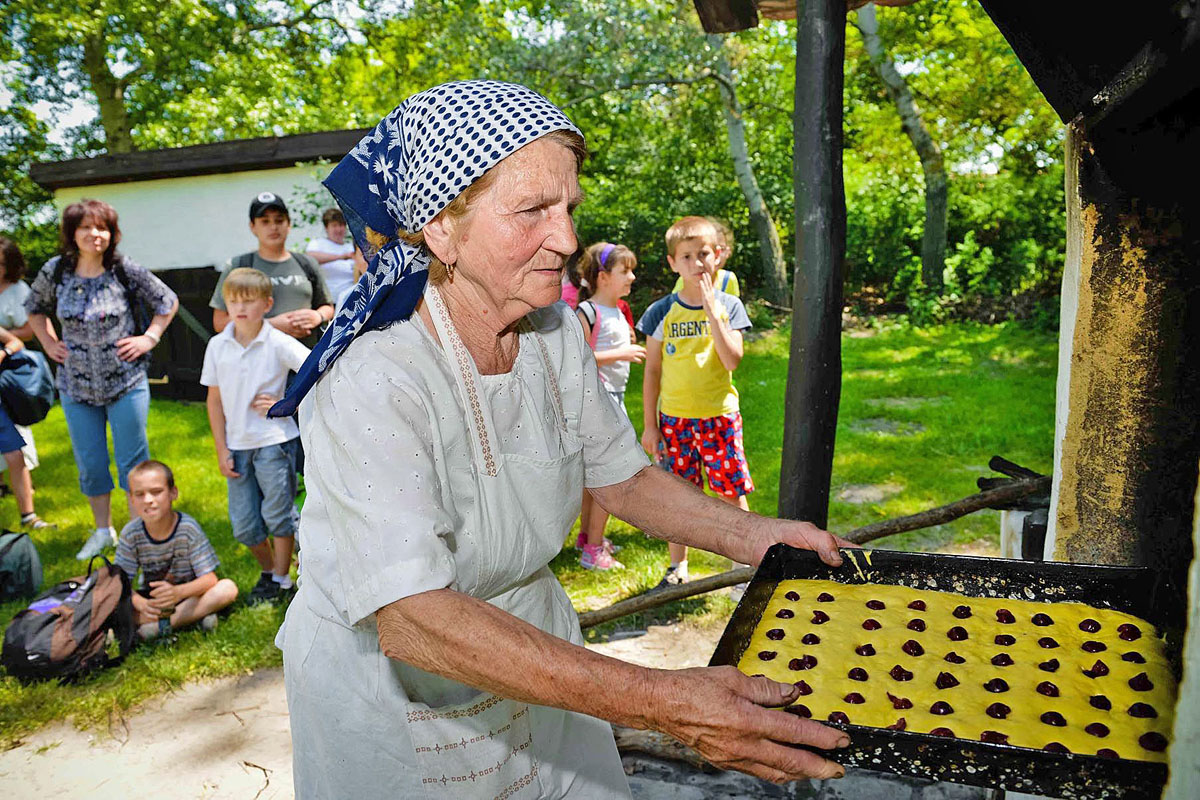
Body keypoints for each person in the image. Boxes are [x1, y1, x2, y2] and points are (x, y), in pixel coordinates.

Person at [269, 81, 852, 798]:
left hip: (533, 651)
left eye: (569, 207)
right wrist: (668, 701)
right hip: (396, 689)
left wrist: (764, 539)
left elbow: (621, 477)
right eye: (533, 211)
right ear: (442, 230)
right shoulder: (373, 378)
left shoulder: (550, 332)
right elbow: (413, 619)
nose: (569, 239)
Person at [26, 199, 178, 561]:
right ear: (72, 232)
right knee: (91, 462)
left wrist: (149, 337)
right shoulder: (56, 271)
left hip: (125, 382)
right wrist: (48, 342)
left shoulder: (123, 269)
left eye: (102, 228)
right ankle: (101, 530)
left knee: (132, 462)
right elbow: (33, 308)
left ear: (111, 233)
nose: (95, 234)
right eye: (86, 227)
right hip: (76, 386)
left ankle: (135, 534)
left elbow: (166, 300)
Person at [637, 216, 755, 589]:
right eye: (686, 256)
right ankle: (678, 567)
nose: (696, 263)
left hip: (719, 417)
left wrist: (710, 309)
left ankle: (742, 568)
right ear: (673, 263)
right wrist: (650, 425)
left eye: (703, 253)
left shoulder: (729, 305)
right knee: (679, 498)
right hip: (676, 421)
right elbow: (652, 371)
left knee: (729, 493)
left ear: (717, 256)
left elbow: (732, 359)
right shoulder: (660, 312)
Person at [201, 268, 309, 605]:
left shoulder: (276, 341)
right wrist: (221, 449)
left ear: (267, 303)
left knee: (277, 514)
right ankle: (271, 570)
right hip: (237, 445)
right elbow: (214, 401)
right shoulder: (217, 346)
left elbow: (313, 369)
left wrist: (285, 402)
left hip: (274, 441)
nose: (240, 308)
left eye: (248, 301)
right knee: (245, 526)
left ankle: (281, 580)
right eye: (233, 301)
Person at [573, 242, 645, 570]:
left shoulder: (618, 309)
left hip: (613, 398)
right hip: (599, 404)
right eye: (624, 271)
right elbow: (578, 359)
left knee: (595, 479)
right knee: (609, 478)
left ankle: (587, 538)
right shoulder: (588, 312)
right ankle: (594, 549)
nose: (632, 276)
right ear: (602, 277)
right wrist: (623, 353)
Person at [116, 460, 239, 641]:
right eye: (139, 494)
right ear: (131, 499)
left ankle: (158, 627)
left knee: (227, 588)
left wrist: (177, 593)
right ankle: (194, 619)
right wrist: (140, 603)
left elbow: (210, 579)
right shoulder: (130, 533)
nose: (148, 500)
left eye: (157, 492)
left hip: (188, 595)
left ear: (173, 493)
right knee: (108, 602)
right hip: (152, 602)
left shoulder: (187, 529)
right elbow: (120, 582)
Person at [210, 192, 335, 348]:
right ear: (253, 227)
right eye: (265, 221)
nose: (273, 227)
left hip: (308, 363)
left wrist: (318, 315)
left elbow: (328, 307)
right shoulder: (239, 266)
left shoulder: (307, 263)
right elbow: (220, 323)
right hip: (257, 364)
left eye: (279, 220)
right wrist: (271, 325)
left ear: (288, 224)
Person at [0, 237, 54, 530]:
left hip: (8, 377)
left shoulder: (19, 292)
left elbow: (22, 338)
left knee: (12, 445)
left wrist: (4, 348)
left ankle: (28, 514)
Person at [672, 216, 740, 296]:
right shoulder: (686, 279)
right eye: (703, 253)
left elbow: (732, 306)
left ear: (728, 251)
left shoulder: (728, 279)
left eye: (722, 248)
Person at [306, 208, 357, 300]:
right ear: (326, 228)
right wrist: (342, 257)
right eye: (334, 225)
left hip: (350, 299)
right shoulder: (317, 244)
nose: (339, 229)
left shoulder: (351, 247)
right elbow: (310, 258)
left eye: (341, 225)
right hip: (328, 300)